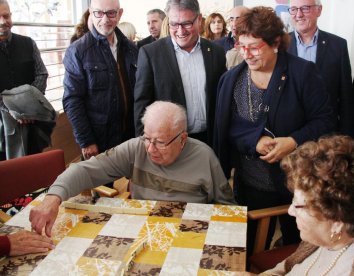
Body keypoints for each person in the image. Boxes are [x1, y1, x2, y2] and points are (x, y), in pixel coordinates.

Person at [214, 6, 335, 256]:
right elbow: (227, 126)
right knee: (247, 251)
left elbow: (325, 121)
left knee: (300, 250)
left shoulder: (303, 73)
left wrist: (293, 141)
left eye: (255, 46)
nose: (247, 54)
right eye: (242, 45)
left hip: (300, 184)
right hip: (252, 184)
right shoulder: (232, 80)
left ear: (276, 43)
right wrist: (254, 141)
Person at [29, 101, 236, 237]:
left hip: (188, 232)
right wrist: (52, 198)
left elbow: (228, 208)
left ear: (182, 139)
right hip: (142, 231)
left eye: (160, 142)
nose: (150, 149)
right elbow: (85, 170)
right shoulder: (136, 148)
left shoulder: (205, 157)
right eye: (147, 138)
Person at [261, 135, 354, 275]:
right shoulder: (332, 228)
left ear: (337, 222)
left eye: (298, 206)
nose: (290, 211)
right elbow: (292, 266)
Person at [134, 0, 226, 146]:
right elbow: (141, 105)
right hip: (170, 143)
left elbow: (223, 99)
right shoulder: (150, 54)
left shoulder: (216, 52)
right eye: (174, 24)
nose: (180, 31)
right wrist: (145, 145)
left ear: (199, 20)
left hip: (211, 140)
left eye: (187, 24)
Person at [63, 0, 138, 164]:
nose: (105, 19)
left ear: (120, 14)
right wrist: (86, 141)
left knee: (132, 186)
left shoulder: (131, 48)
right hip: (99, 139)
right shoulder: (78, 51)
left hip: (131, 135)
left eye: (111, 13)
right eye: (99, 13)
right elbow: (72, 100)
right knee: (104, 188)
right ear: (91, 12)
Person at [287, 0, 354, 136]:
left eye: (305, 8)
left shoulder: (338, 45)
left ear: (319, 10)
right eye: (293, 9)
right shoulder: (279, 45)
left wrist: (347, 135)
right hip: (289, 133)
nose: (298, 14)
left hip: (326, 132)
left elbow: (346, 94)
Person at [0, 0, 49, 160]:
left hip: (33, 121)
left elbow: (41, 74)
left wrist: (27, 108)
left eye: (6, 16)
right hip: (2, 128)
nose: (3, 21)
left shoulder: (28, 43)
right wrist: (14, 111)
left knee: (34, 168)